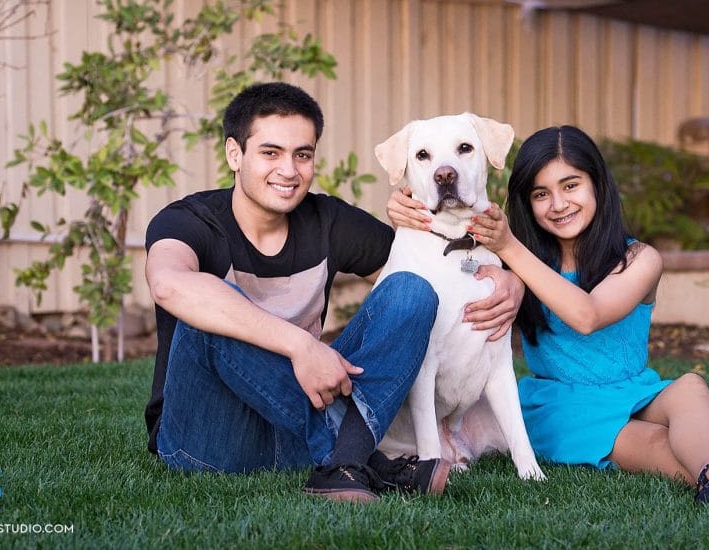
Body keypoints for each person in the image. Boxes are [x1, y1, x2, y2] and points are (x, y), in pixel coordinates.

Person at [143, 82, 523, 503]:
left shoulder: (328, 219)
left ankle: (342, 461)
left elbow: (418, 283)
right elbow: (169, 284)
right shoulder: (188, 220)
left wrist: (507, 277)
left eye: (302, 155)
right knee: (210, 307)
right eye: (270, 153)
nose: (288, 170)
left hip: (296, 434)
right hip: (208, 439)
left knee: (410, 291)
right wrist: (300, 347)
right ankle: (368, 461)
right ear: (235, 154)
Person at [459, 125, 709, 502]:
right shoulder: (520, 265)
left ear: (598, 184)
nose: (559, 204)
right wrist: (404, 207)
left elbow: (588, 314)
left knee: (690, 388)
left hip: (633, 387)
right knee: (654, 444)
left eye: (571, 185)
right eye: (541, 194)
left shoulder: (639, 259)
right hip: (562, 405)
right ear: (527, 203)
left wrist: (510, 249)